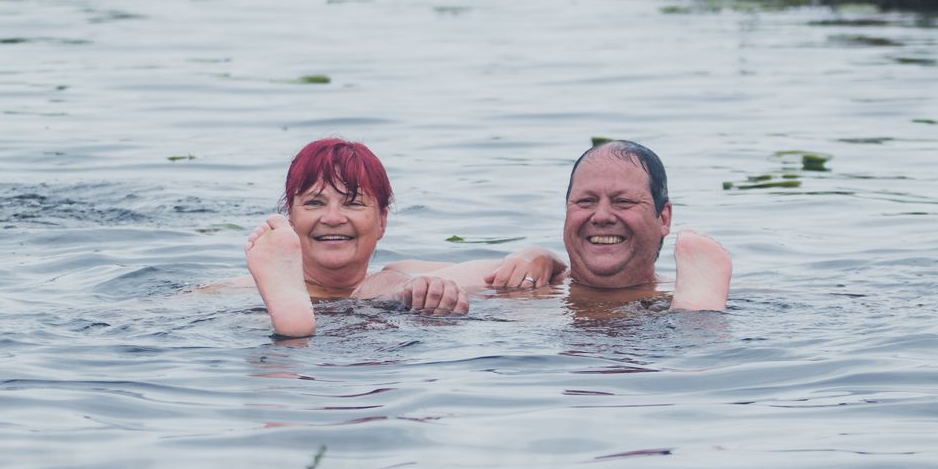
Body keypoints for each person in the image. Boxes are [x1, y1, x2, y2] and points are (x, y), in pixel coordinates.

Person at [243, 136, 564, 336]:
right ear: (291, 220)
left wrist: (537, 256)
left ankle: (295, 328)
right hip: (371, 334)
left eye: (353, 203)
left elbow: (504, 272)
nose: (332, 218)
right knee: (389, 283)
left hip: (293, 342)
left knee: (391, 280)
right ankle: (294, 325)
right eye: (315, 203)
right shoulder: (249, 287)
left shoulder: (402, 274)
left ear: (382, 220)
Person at [560, 140, 731, 311]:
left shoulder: (675, 293)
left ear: (664, 218)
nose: (601, 216)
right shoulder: (538, 288)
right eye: (586, 201)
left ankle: (698, 318)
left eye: (623, 201)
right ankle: (698, 318)